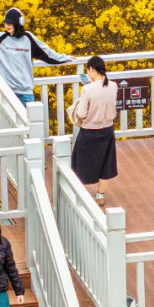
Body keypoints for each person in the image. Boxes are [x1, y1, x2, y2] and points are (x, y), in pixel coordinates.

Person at [0, 8, 73, 110]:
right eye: (6, 23)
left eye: (11, 23)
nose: (8, 25)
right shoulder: (1, 37)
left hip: (25, 92)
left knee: (28, 123)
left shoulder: (28, 38)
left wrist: (65, 58)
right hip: (6, 91)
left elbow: (47, 53)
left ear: (19, 23)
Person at [68, 55, 118, 205]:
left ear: (91, 70)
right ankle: (100, 195)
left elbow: (82, 113)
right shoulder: (113, 85)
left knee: (79, 163)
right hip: (107, 130)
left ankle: (78, 194)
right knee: (105, 163)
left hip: (89, 131)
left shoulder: (87, 89)